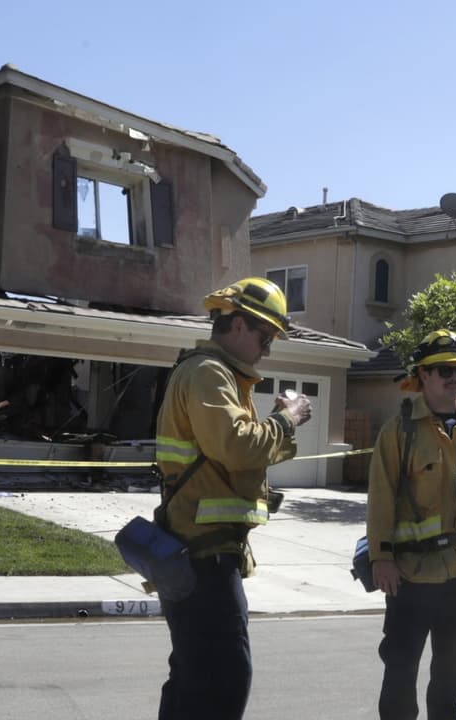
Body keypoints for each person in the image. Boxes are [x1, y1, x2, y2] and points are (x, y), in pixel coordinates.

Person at [154, 277, 312, 720]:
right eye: (265, 337)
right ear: (238, 325)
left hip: (201, 550)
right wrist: (286, 419)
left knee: (192, 676)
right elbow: (238, 448)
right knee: (224, 680)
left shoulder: (217, 374)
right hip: (204, 555)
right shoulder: (209, 373)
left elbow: (228, 452)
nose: (268, 350)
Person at [366, 329, 456, 720]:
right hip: (410, 576)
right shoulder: (399, 430)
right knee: (400, 675)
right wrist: (381, 558)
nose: (455, 378)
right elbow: (380, 497)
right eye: (445, 370)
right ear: (423, 375)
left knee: (450, 679)